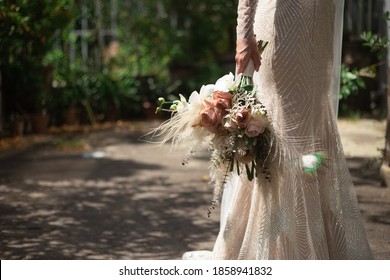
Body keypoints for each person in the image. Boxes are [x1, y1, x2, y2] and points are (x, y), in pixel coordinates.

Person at [184, 0, 373, 260]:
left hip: (319, 30)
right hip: (282, 27)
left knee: (313, 127)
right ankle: (279, 247)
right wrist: (244, 35)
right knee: (284, 131)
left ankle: (320, 242)